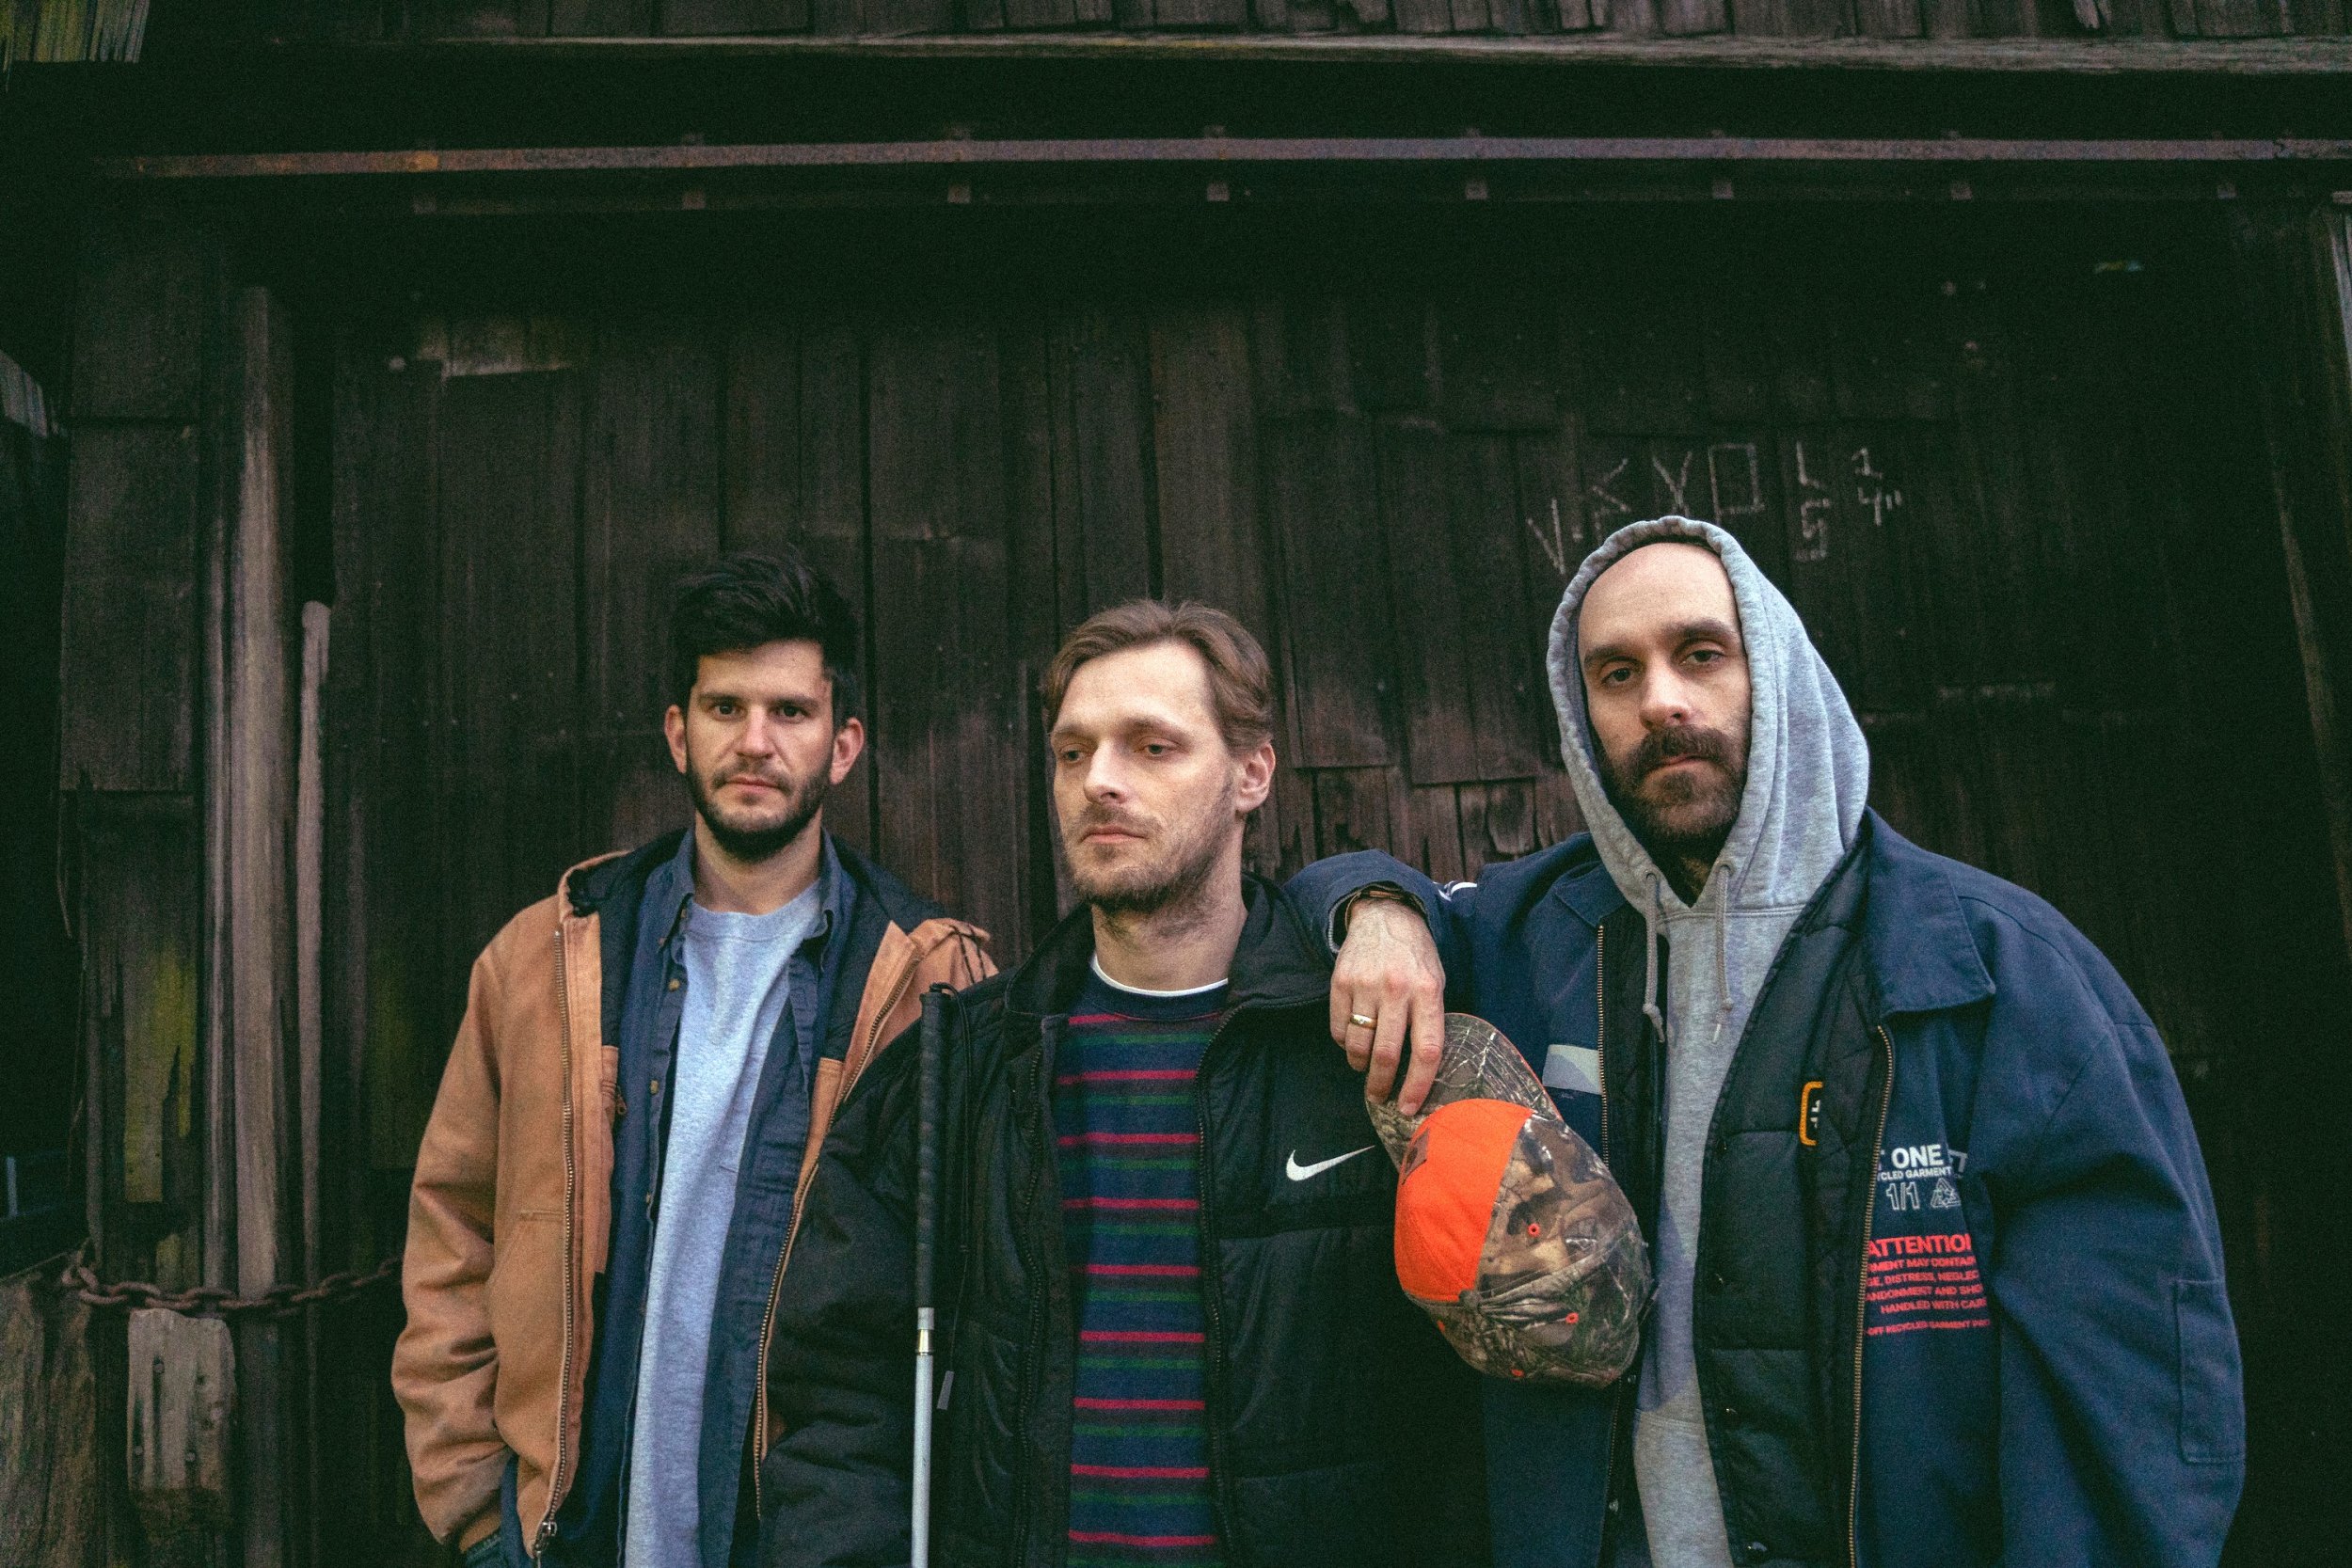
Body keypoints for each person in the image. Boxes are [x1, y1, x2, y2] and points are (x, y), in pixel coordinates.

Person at [1291, 516, 2245, 1568]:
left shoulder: (1994, 970)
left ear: (1778, 668)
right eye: (1616, 673)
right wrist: (1377, 910)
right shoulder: (1541, 936)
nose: (1661, 700)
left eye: (1701, 653)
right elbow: (1334, 894)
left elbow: (2127, 1393)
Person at [760, 600, 1486, 1568]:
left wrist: (1386, 903)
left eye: (1152, 746)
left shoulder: (1366, 1046)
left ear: (1252, 773)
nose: (1099, 779)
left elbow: (1471, 1411)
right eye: (1073, 752)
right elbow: (839, 1393)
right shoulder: (961, 1066)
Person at [394, 549, 993, 1568]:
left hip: (803, 1542)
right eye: (724, 707)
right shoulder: (544, 958)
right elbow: (453, 1231)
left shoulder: (932, 984)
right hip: (565, 1538)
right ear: (679, 732)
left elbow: (979, 1302)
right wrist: (478, 1513)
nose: (755, 741)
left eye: (791, 711)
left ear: (844, 743)